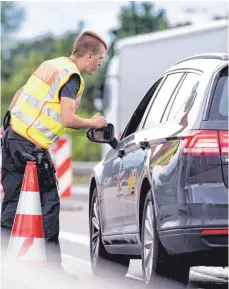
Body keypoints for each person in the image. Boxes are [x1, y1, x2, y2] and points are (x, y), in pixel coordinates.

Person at [1, 31, 108, 272]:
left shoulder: (50, 65)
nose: (100, 64)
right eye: (99, 58)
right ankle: (53, 272)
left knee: (10, 203)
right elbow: (67, 118)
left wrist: (7, 126)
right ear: (89, 55)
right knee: (49, 203)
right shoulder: (72, 77)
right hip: (32, 148)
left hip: (12, 137)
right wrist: (93, 122)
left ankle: (2, 268)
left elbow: (20, 93)